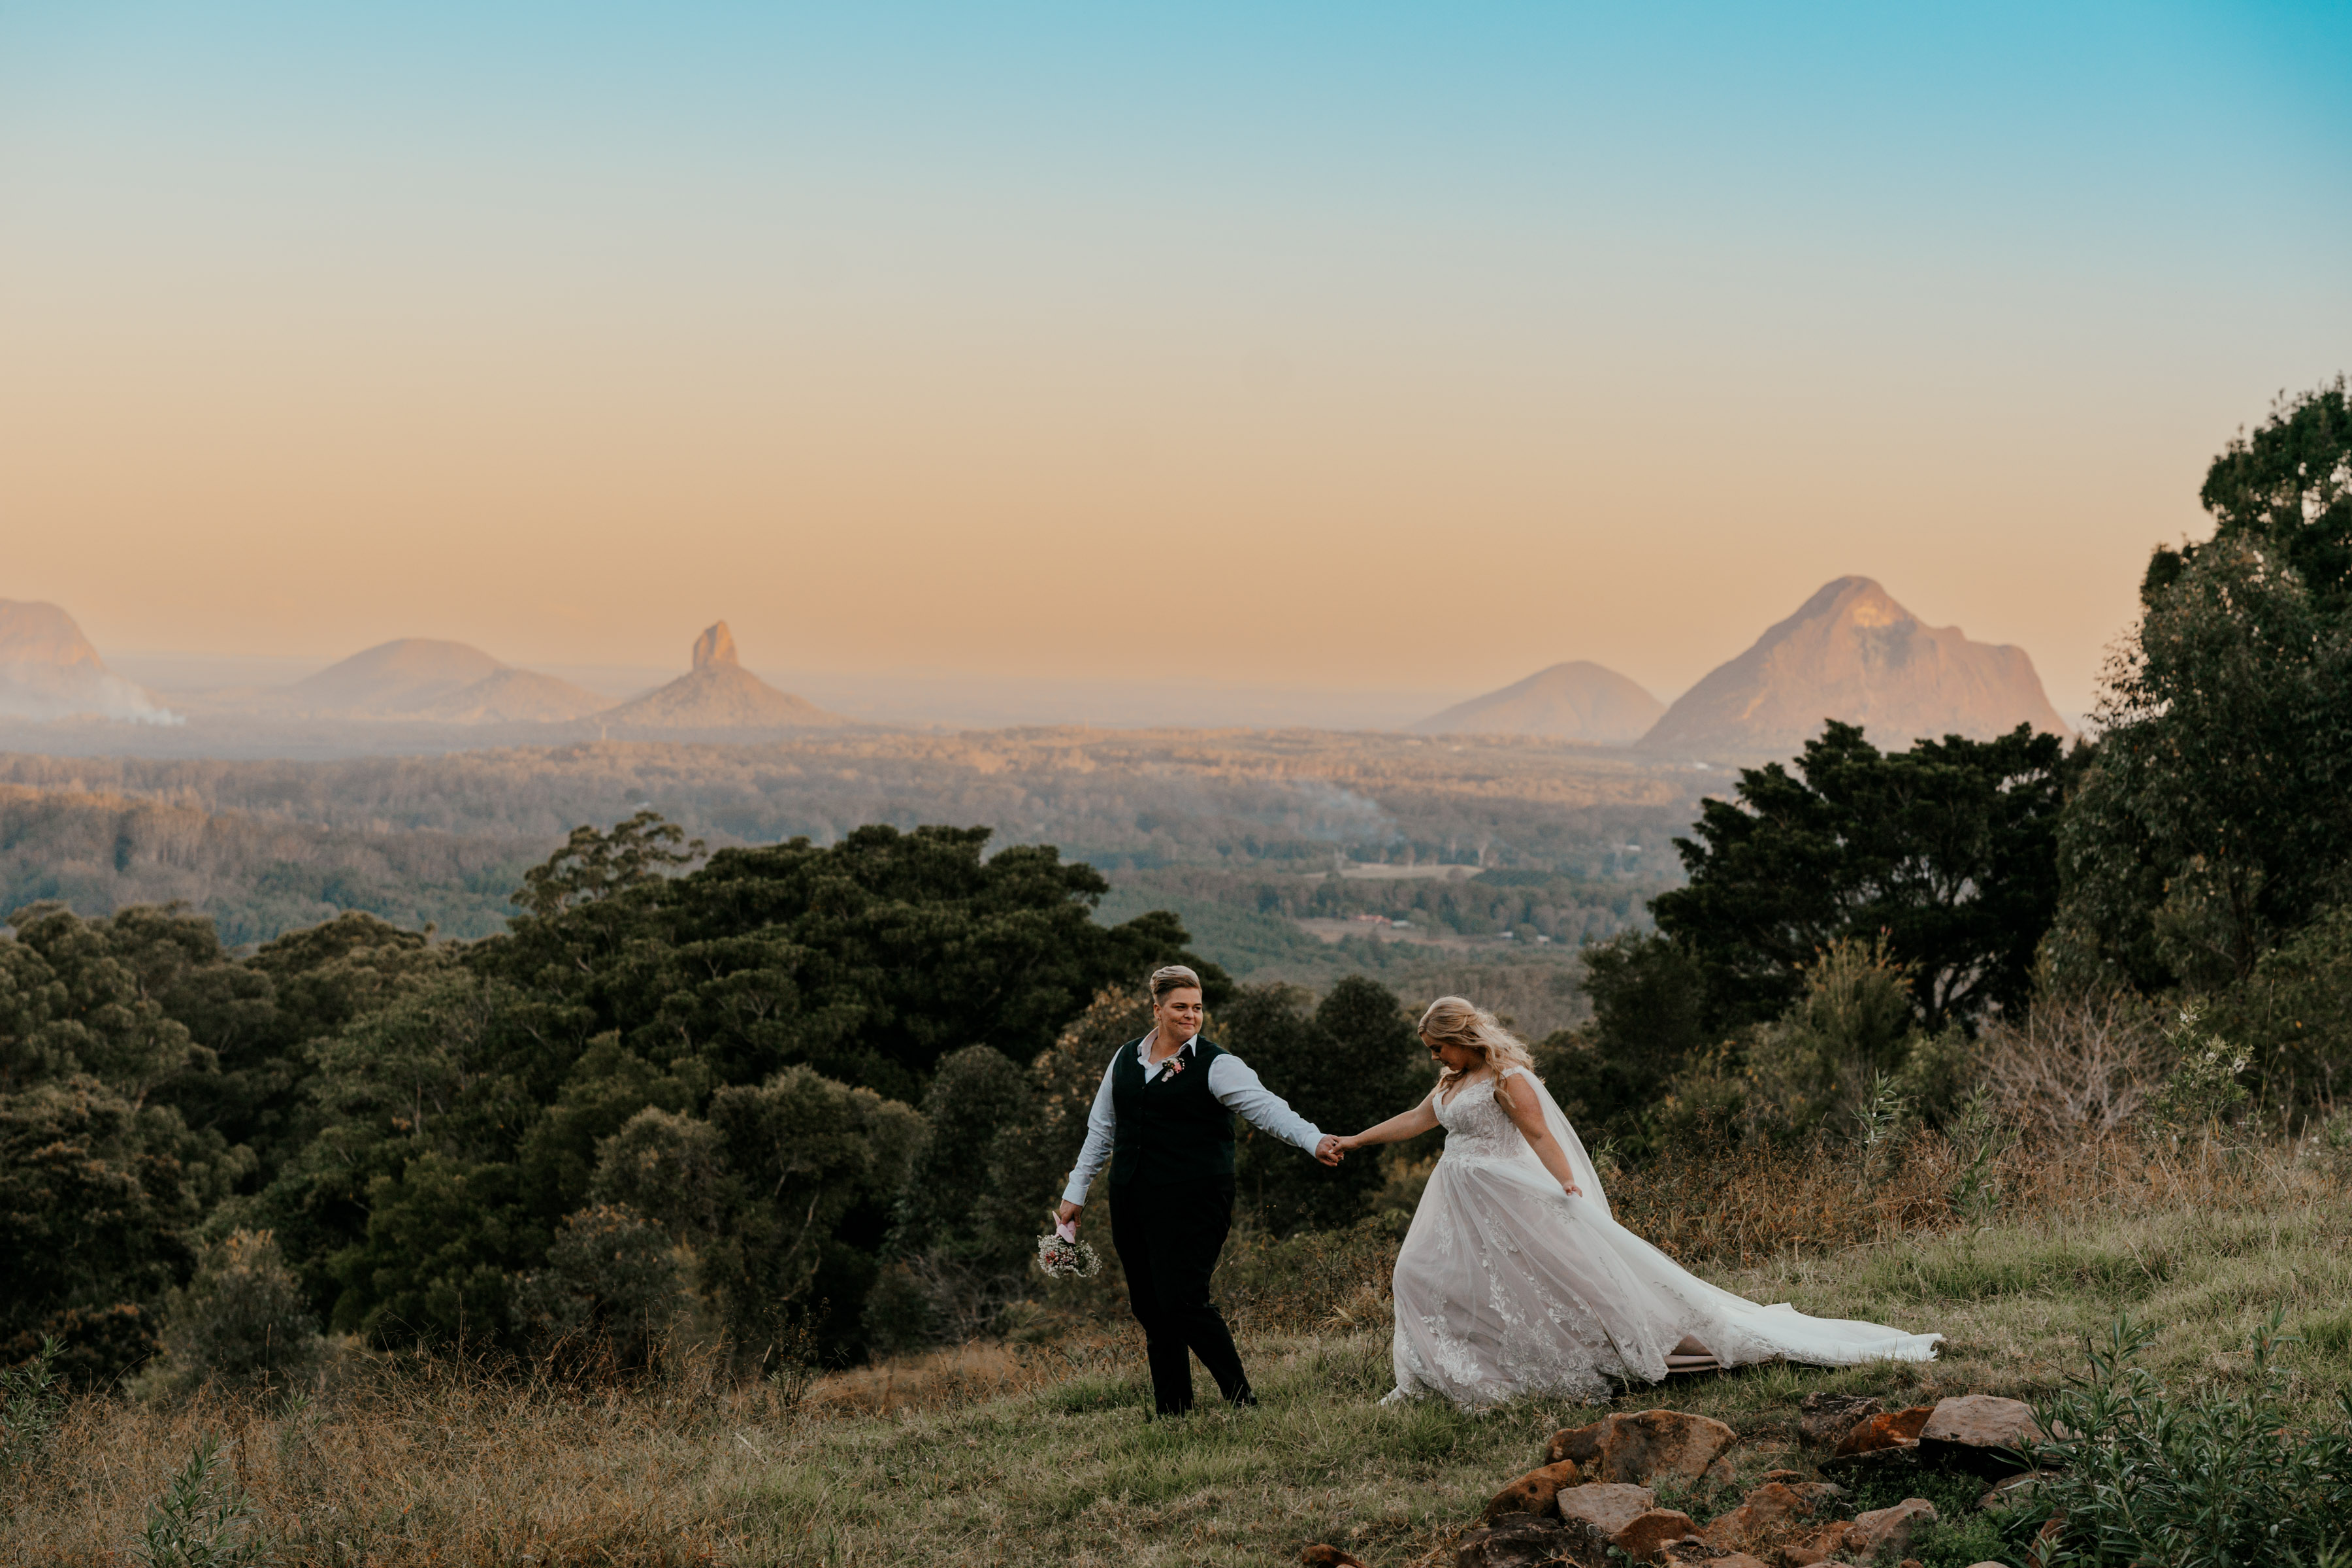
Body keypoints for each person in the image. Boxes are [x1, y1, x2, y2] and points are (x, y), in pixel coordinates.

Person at [1334, 995, 1942, 1407]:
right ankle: (1451, 1371)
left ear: (1462, 1039)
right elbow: (1417, 1121)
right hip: (1458, 1196)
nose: (1434, 1058)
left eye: (1438, 1047)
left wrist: (1567, 1184)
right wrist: (1357, 1139)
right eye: (1431, 1052)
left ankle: (1605, 1350)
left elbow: (1540, 1134)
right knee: (1420, 1273)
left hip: (1507, 1192)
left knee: (1559, 1280)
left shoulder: (1506, 1077)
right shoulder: (1450, 1081)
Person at [1056, 964, 1345, 1416]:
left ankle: (1241, 1400)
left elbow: (1267, 1108)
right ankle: (1174, 1409)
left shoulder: (1218, 1065)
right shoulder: (1125, 1059)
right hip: (1131, 1195)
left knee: (1184, 1299)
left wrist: (1312, 1139)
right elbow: (1102, 1130)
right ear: (1157, 1010)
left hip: (1195, 1198)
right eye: (1180, 1007)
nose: (1191, 1015)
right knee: (1150, 1305)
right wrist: (1077, 1192)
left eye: (1197, 1007)